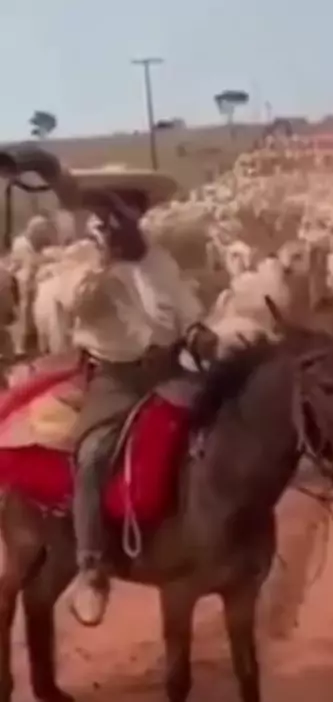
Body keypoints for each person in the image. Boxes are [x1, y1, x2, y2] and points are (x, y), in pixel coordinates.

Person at [63, 194, 205, 627]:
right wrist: (102, 265)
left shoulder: (159, 261)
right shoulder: (85, 266)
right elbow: (78, 304)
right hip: (115, 378)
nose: (120, 226)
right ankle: (91, 567)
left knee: (227, 424)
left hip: (170, 369)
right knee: (93, 456)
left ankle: (225, 534)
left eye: (127, 217)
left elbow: (185, 310)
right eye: (111, 220)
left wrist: (201, 334)